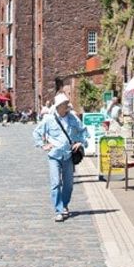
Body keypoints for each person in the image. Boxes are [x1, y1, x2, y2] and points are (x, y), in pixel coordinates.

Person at [33, 93, 88, 223]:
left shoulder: (72, 118)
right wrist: (43, 145)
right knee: (56, 183)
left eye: (67, 103)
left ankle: (64, 205)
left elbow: (83, 130)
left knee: (68, 184)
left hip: (68, 155)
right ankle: (58, 210)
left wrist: (81, 142)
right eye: (64, 104)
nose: (67, 106)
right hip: (54, 155)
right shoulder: (48, 119)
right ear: (58, 106)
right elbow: (36, 132)